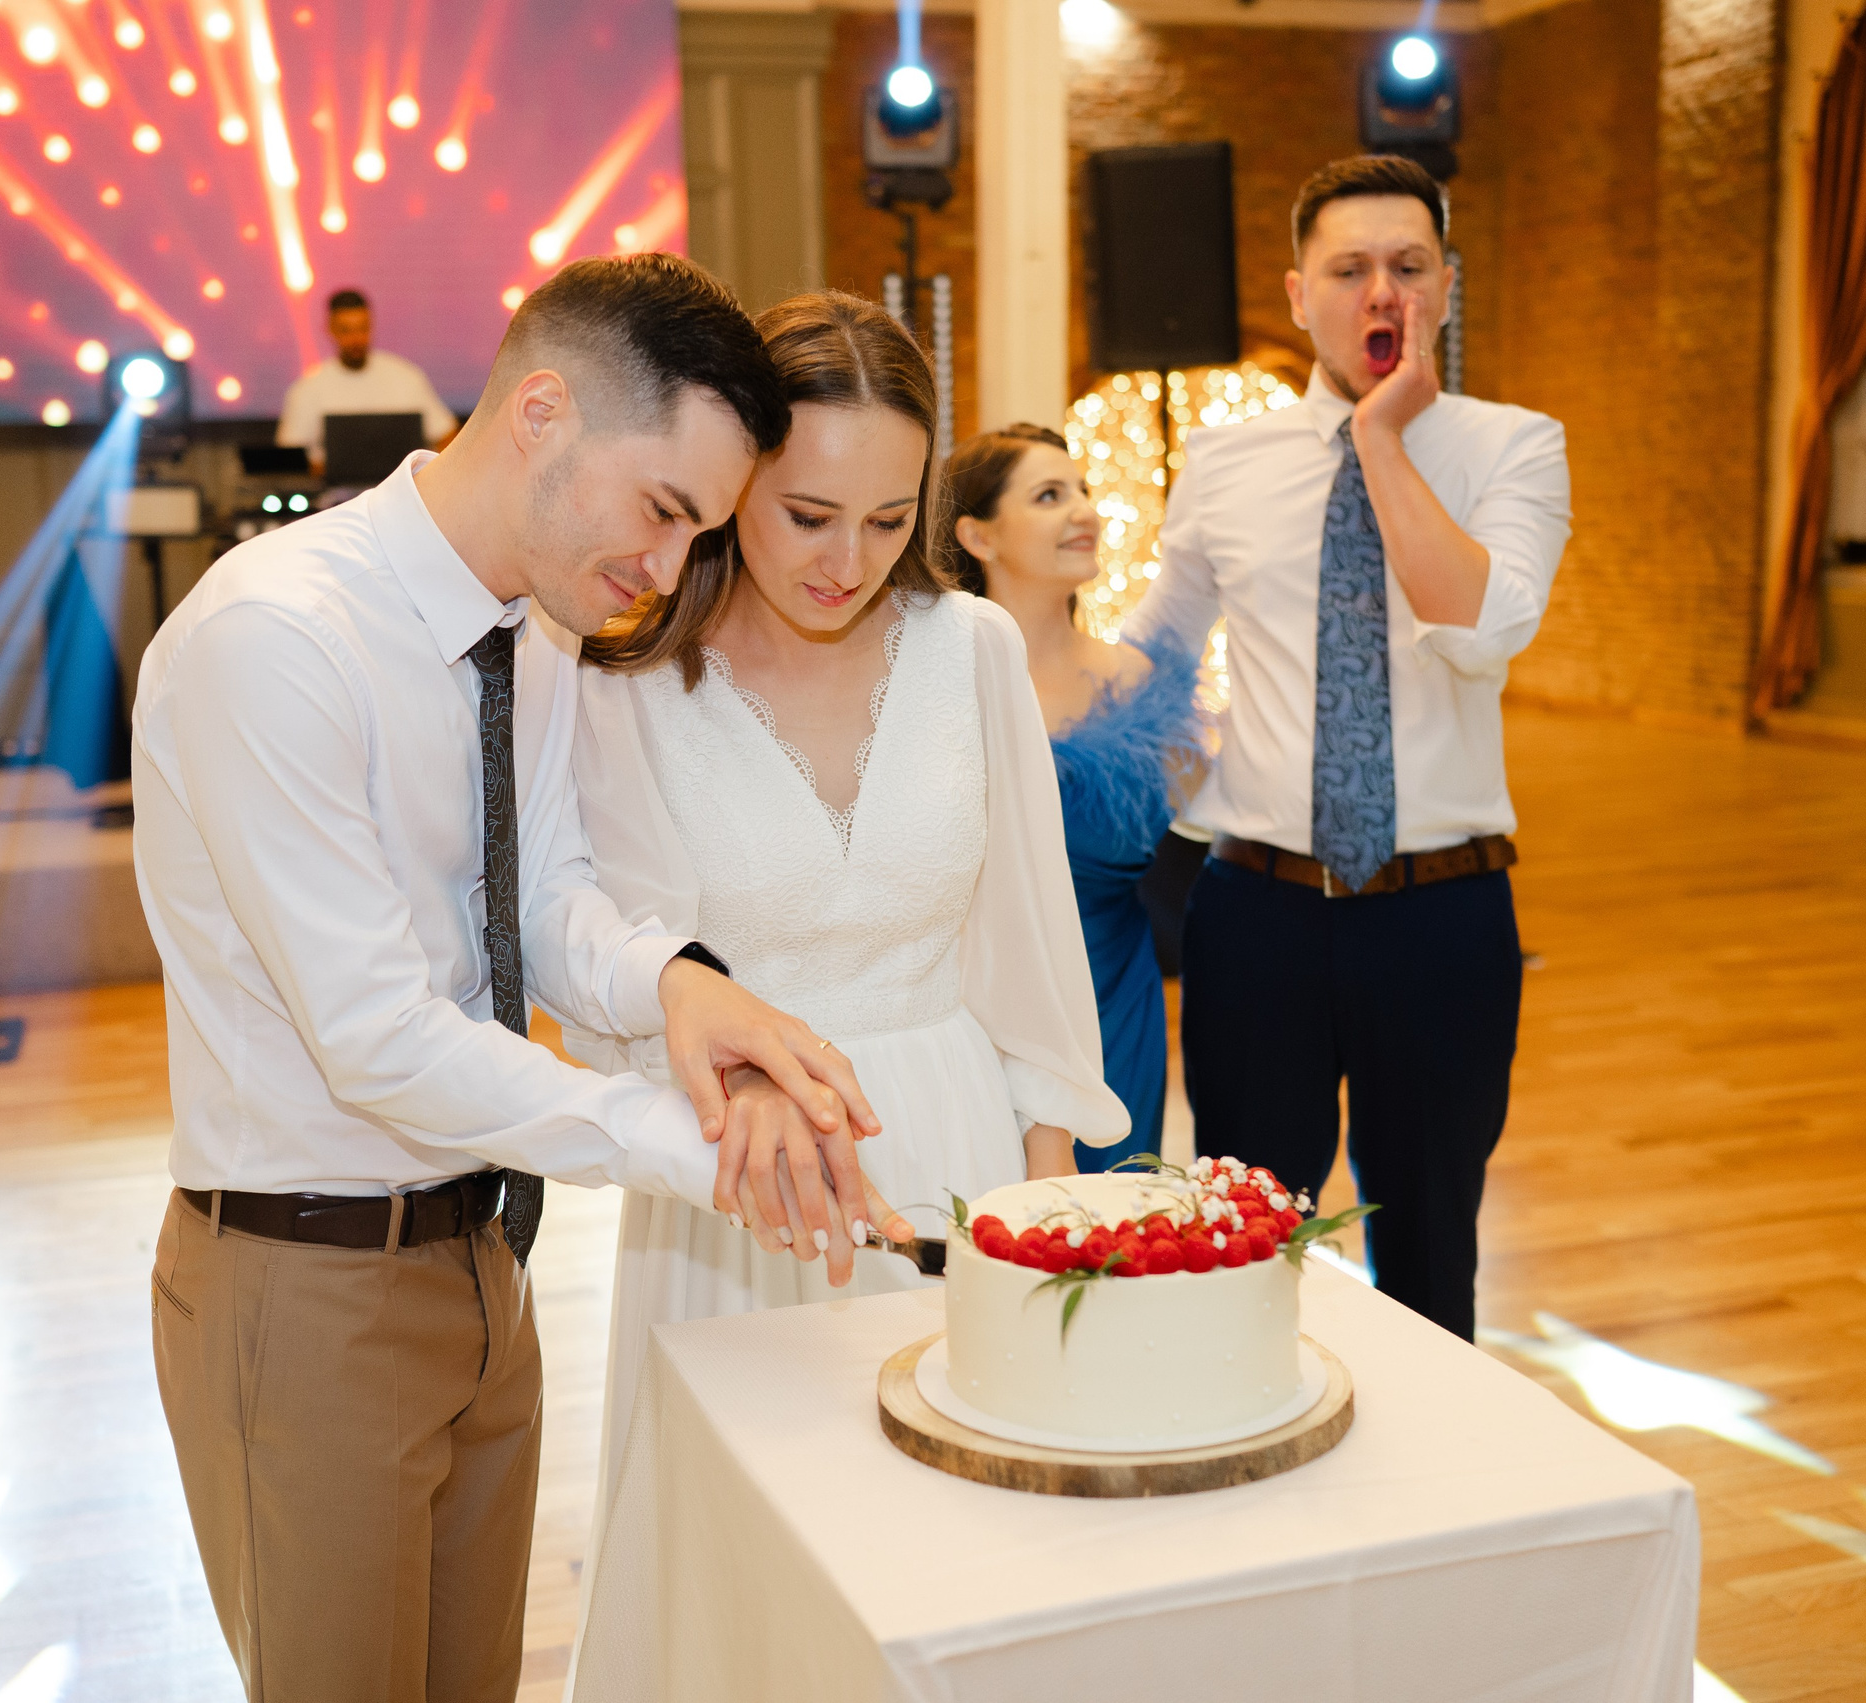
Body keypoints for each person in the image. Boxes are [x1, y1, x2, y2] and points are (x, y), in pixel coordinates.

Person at [131, 254, 910, 1703]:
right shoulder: (276, 639)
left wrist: (686, 983)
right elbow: (375, 1036)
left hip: (480, 1257)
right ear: (542, 408)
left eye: (701, 532)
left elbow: (543, 899)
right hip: (304, 1279)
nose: (668, 572)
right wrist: (694, 1149)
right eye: (665, 510)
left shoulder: (534, 629)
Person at [564, 293, 1128, 1613]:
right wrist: (730, 1089)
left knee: (966, 1566)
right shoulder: (628, 681)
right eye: (808, 516)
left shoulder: (972, 646)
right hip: (731, 1172)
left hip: (953, 1136)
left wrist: (1038, 1212)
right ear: (731, 478)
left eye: (889, 521)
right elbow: (619, 977)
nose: (847, 559)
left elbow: (1031, 945)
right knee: (759, 1584)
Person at [1125, 154, 1571, 1339]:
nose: (1383, 293)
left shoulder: (1514, 447)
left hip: (1444, 916)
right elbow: (1151, 663)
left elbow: (1477, 633)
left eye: (1409, 267)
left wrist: (1382, 439)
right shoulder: (1224, 462)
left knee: (1431, 1251)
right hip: (1256, 918)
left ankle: (1427, 1508)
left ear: (1447, 284)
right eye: (1350, 269)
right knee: (1239, 1247)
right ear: (1296, 294)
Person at [941, 423, 1204, 1172]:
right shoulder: (940, 684)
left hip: (1113, 1000)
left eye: (1084, 490)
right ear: (978, 535)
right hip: (975, 1005)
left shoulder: (1143, 686)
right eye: (1050, 495)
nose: (1083, 510)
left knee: (1108, 1227)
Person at [276, 286, 461, 472]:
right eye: (346, 330)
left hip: (405, 492)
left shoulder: (405, 376)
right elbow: (292, 457)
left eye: (362, 328)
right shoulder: (308, 389)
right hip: (335, 499)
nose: (356, 339)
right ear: (330, 329)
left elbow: (446, 435)